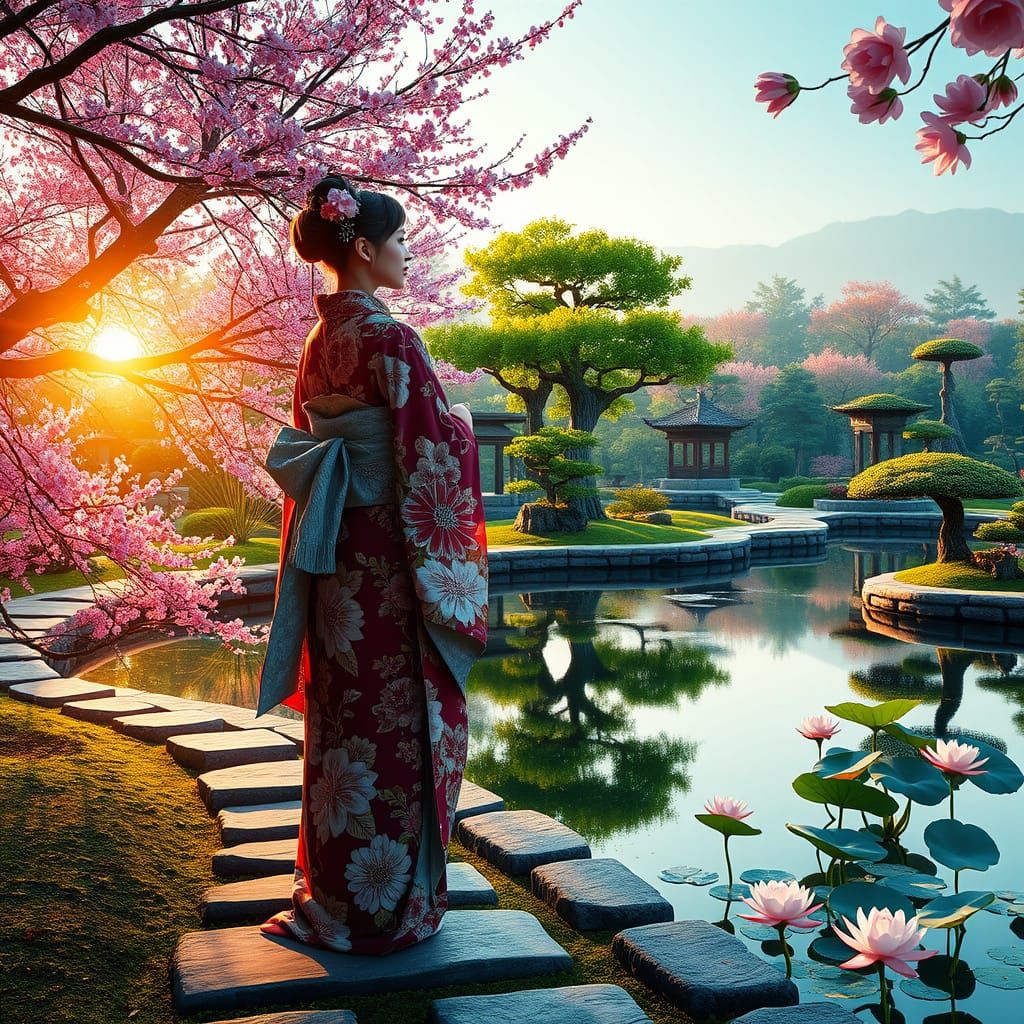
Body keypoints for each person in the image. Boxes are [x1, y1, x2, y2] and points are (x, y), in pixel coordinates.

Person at [256, 173, 488, 954]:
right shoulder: (391, 338)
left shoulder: (319, 343)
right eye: (398, 242)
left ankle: (338, 893)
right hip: (390, 569)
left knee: (347, 728)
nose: (408, 255)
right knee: (398, 729)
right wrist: (458, 419)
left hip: (337, 564)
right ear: (362, 248)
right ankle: (387, 909)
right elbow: (432, 451)